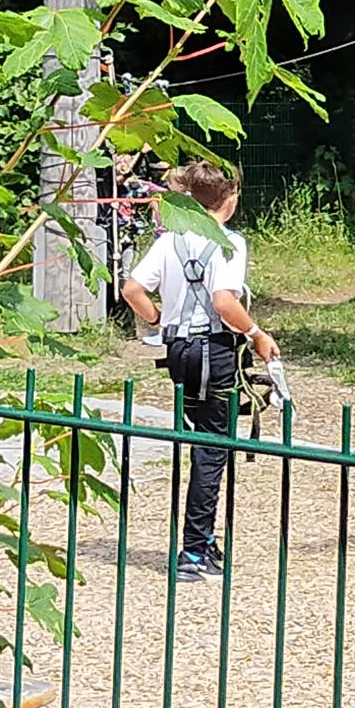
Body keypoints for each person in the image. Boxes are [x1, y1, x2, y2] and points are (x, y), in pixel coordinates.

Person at [119, 160, 279, 582]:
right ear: (228, 201)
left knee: (200, 439)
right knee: (213, 447)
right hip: (214, 350)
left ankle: (203, 537)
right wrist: (257, 334)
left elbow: (131, 288)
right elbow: (224, 301)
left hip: (177, 348)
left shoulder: (171, 240)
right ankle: (194, 548)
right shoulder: (229, 243)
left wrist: (157, 318)